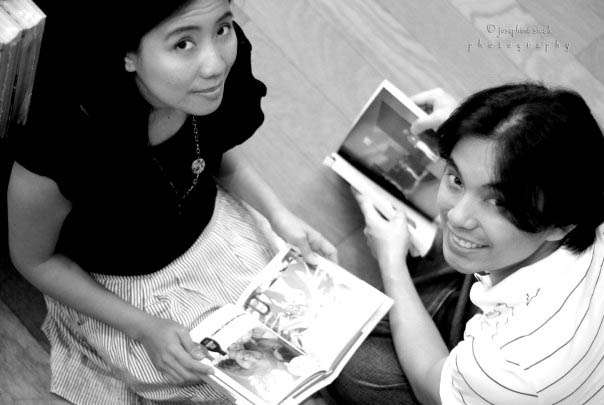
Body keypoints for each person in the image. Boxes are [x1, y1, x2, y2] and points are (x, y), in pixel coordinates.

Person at [6, 1, 336, 403]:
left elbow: (213, 153)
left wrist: (278, 214)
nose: (215, 64)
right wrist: (145, 328)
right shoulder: (66, 140)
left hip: (218, 232)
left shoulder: (209, 83)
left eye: (222, 28)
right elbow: (35, 260)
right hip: (125, 289)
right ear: (128, 54)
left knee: (320, 344)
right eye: (183, 44)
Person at [328, 83, 604, 404]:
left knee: (353, 361)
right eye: (457, 179)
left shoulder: (513, 364)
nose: (457, 216)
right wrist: (486, 133)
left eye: (498, 203)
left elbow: (430, 385)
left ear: (560, 224)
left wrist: (391, 263)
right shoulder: (584, 193)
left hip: (510, 381)